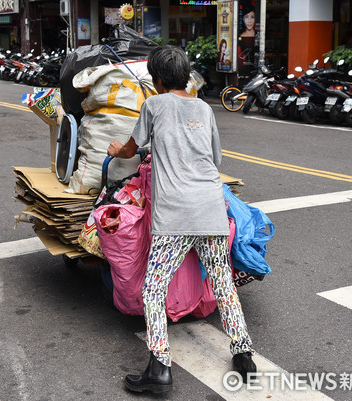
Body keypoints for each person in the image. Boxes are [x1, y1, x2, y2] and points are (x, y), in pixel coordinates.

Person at [107, 45, 257, 393]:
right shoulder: (204, 108)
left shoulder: (153, 104)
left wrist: (117, 149)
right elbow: (215, 157)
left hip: (174, 215)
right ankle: (244, 354)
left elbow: (131, 150)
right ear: (186, 76)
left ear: (157, 79)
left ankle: (159, 368)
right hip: (210, 207)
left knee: (153, 290)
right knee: (223, 284)